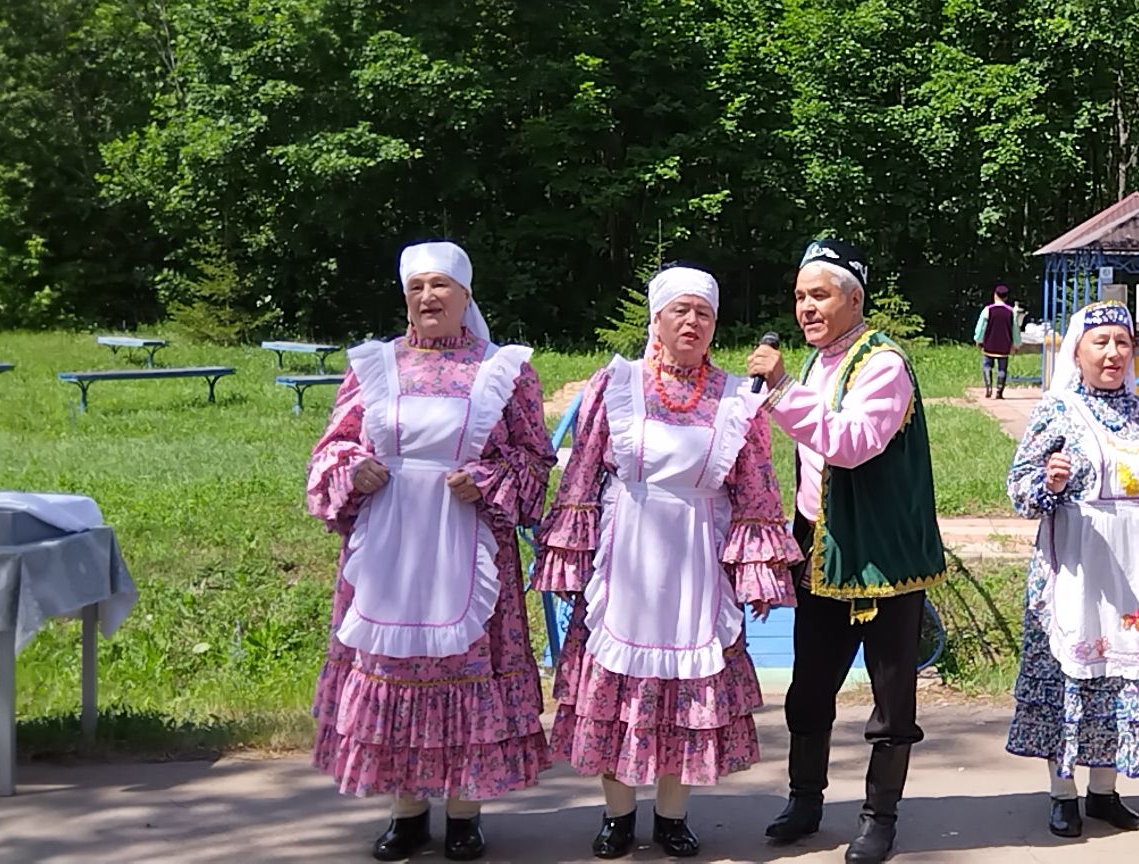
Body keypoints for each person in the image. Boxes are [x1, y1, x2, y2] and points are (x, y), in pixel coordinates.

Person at [534, 264, 802, 859]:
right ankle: (618, 817)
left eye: (703, 313)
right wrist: (569, 554)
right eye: (680, 310)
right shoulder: (617, 384)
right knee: (619, 683)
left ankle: (674, 816)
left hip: (696, 555)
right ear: (656, 319)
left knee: (687, 686)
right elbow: (582, 470)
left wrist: (757, 570)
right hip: (627, 547)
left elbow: (756, 487)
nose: (692, 322)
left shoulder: (737, 398)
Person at [305, 241, 554, 862]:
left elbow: (533, 459)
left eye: (441, 286)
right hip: (391, 539)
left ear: (466, 296)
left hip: (468, 539)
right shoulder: (373, 366)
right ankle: (407, 810)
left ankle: (465, 812)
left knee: (463, 668)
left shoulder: (505, 368)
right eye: (417, 288)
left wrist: (489, 480)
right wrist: (353, 467)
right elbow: (329, 449)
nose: (428, 298)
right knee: (397, 668)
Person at [745, 239, 948, 864]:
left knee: (891, 699)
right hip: (821, 546)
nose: (806, 308)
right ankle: (805, 800)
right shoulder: (817, 363)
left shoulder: (882, 361)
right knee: (809, 687)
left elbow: (852, 442)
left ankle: (878, 818)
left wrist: (779, 391)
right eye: (800, 297)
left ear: (854, 298)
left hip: (882, 554)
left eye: (820, 295)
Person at [1004, 300, 1139, 838]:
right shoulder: (1057, 410)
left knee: (1121, 673)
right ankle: (1062, 793)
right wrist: (1051, 482)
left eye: (1122, 342)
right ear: (1077, 351)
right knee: (1074, 671)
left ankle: (1105, 791)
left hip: (1137, 565)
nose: (1113, 353)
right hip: (1077, 564)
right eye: (1100, 343)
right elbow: (1019, 489)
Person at [974, 283, 1021, 398]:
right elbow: (1015, 329)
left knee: (987, 366)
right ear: (1006, 297)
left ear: (995, 295)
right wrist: (1016, 344)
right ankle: (999, 391)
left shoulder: (988, 310)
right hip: (1004, 344)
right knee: (1002, 368)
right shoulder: (1011, 312)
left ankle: (988, 387)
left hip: (989, 343)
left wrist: (978, 339)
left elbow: (981, 327)